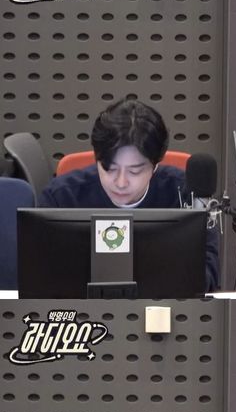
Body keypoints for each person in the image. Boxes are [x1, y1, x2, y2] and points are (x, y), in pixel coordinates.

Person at [39, 98, 220, 291]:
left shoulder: (186, 195)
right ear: (96, 158)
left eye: (134, 171)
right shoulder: (60, 198)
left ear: (155, 165)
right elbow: (40, 275)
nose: (121, 182)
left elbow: (207, 274)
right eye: (109, 168)